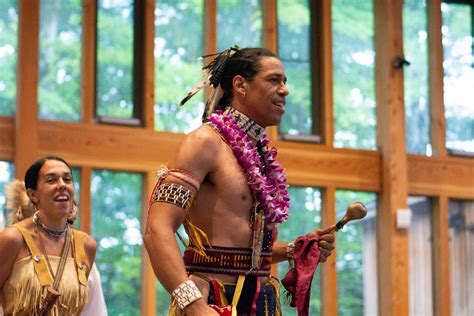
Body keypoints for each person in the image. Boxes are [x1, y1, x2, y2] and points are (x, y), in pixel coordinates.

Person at [144, 47, 336, 316]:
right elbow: (157, 229)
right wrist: (193, 304)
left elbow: (244, 252)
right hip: (211, 298)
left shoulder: (261, 154)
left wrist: (296, 249)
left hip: (261, 300)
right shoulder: (204, 142)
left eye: (285, 82)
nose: (284, 90)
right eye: (274, 80)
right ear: (240, 85)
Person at [0, 156, 97, 315]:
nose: (62, 186)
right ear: (33, 195)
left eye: (67, 179)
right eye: (51, 180)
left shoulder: (86, 245)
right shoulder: (13, 238)